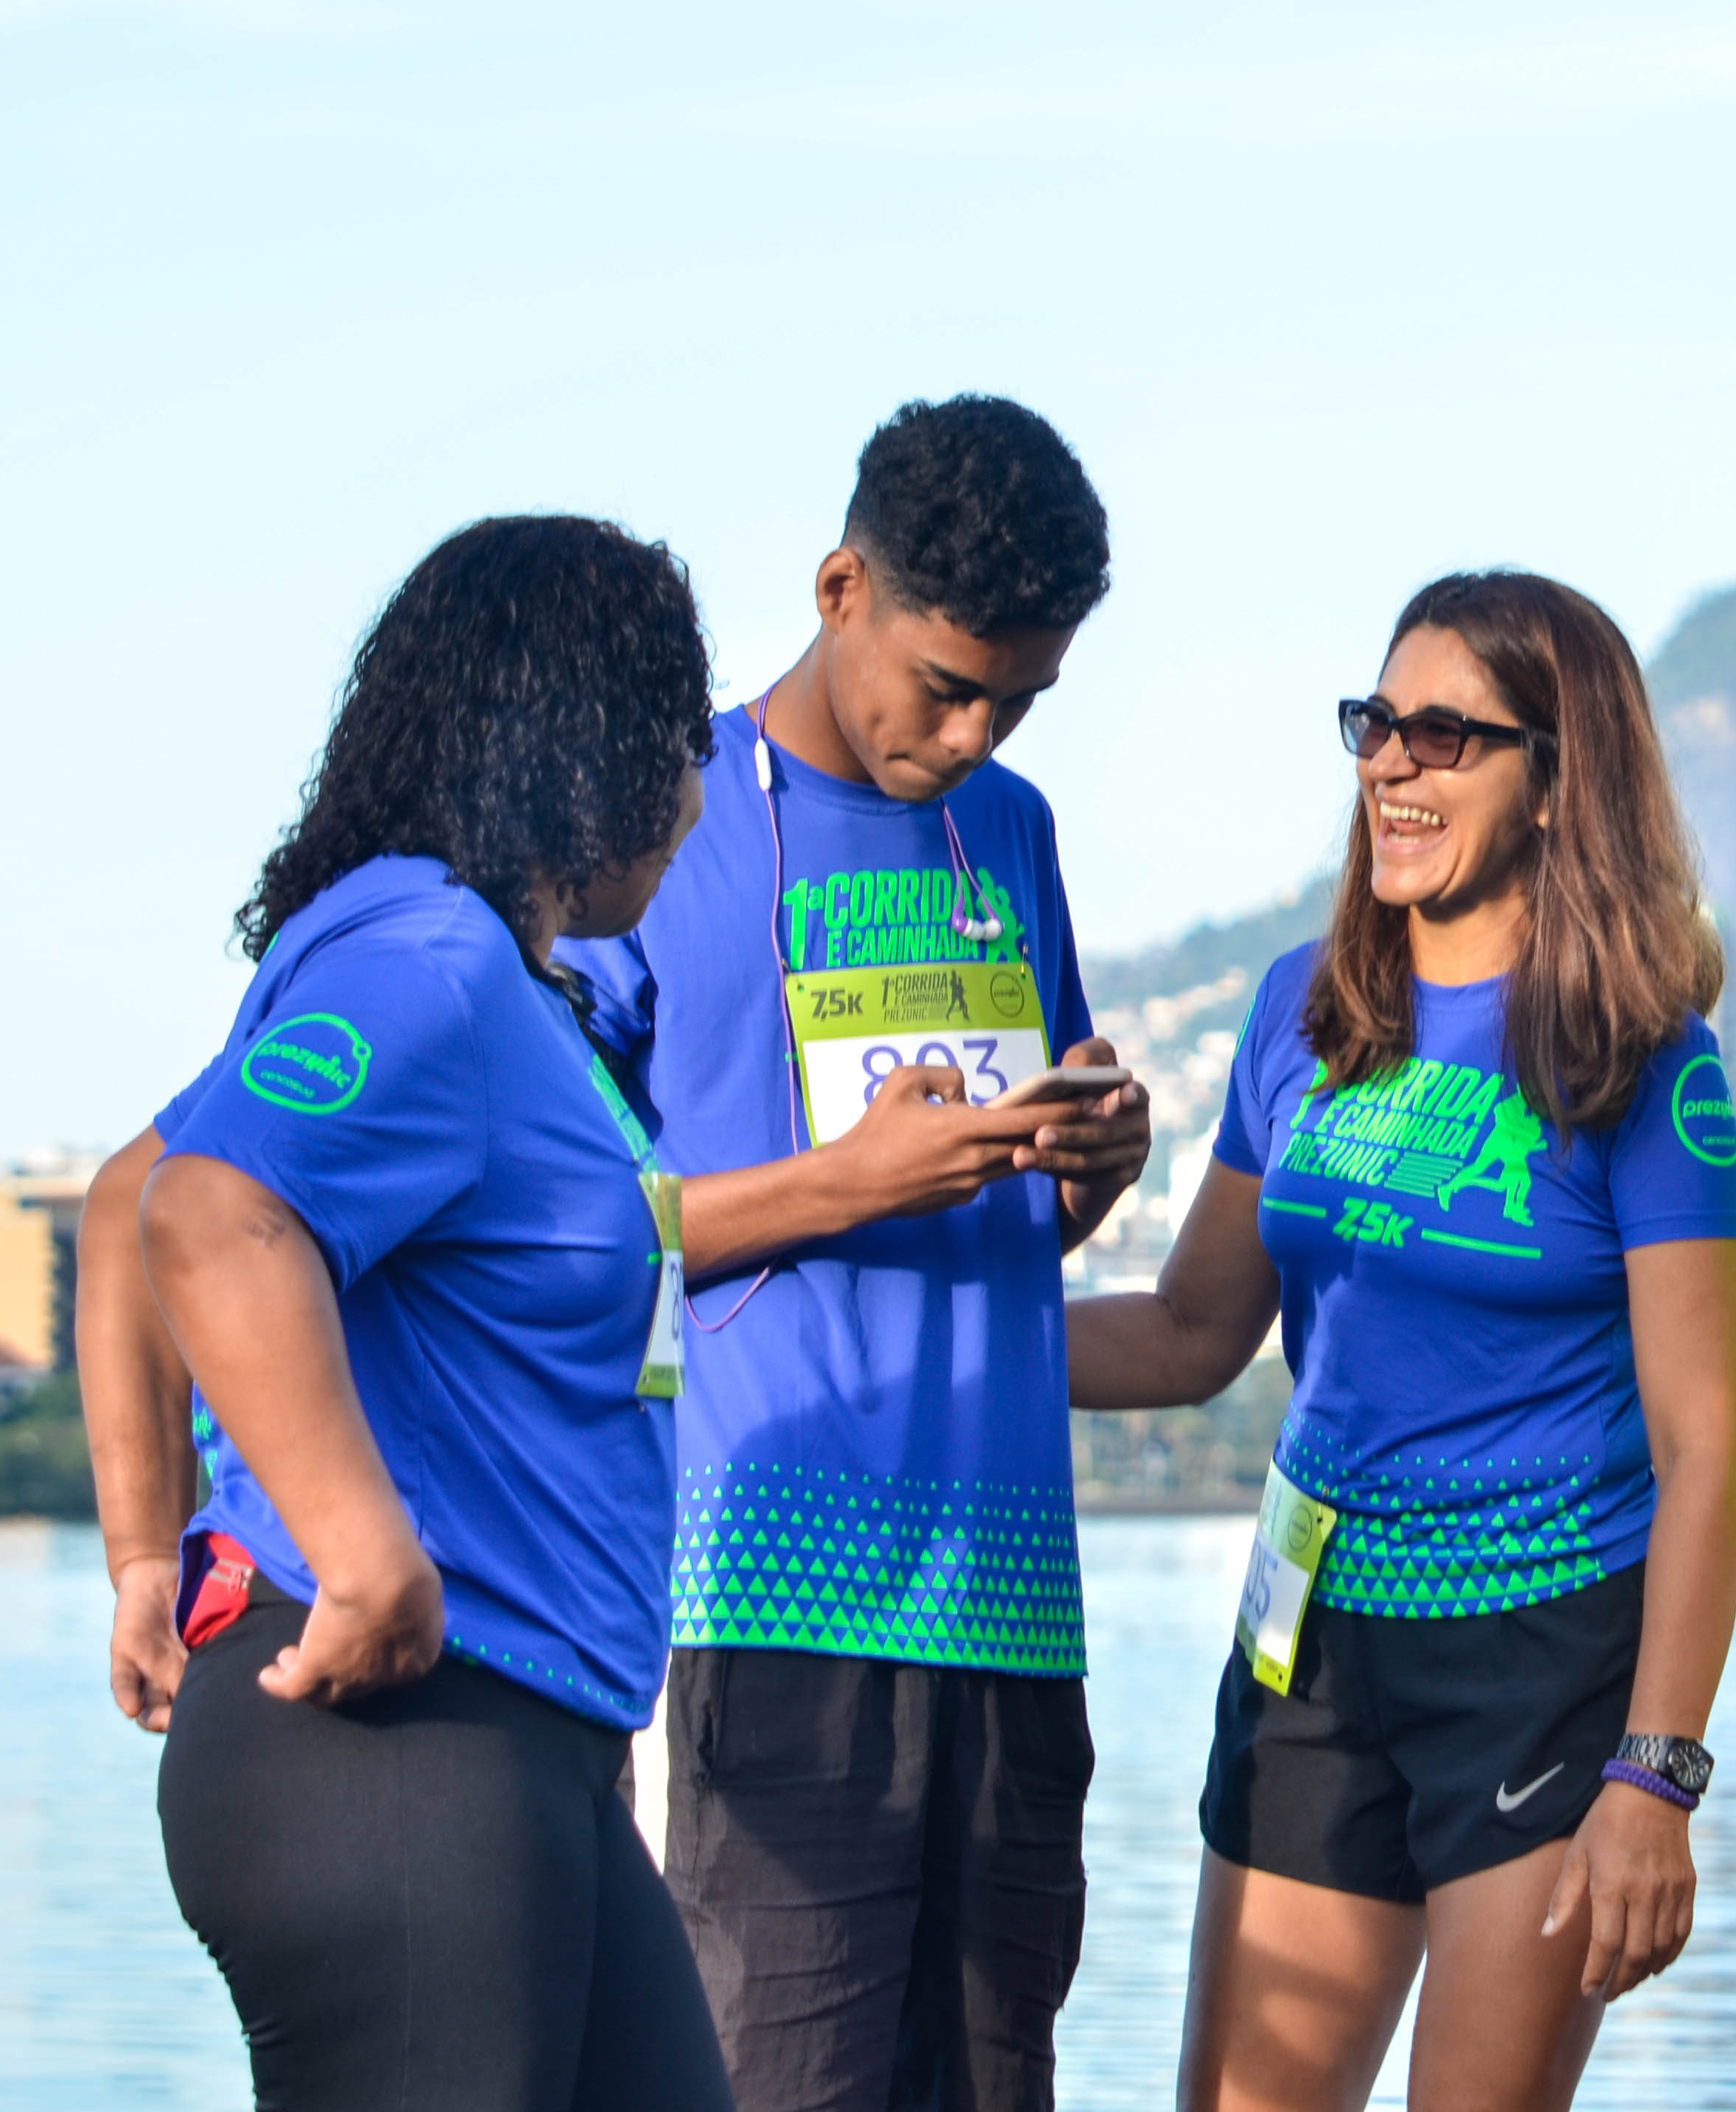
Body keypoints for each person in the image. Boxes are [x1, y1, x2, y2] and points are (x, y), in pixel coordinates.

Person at [1068, 571, 1736, 2111]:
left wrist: (1658, 1772)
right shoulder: (1298, 1012)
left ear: (1557, 776)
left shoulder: (1647, 1058)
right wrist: (945, 1333)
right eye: (1378, 723)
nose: (1392, 761)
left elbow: (1710, 1440)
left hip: (1541, 1650)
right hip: (1309, 1639)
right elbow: (1193, 1330)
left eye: (1446, 734)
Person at [82, 513, 733, 2108]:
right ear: (593, 751)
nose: (700, 788)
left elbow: (119, 1199)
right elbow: (204, 1214)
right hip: (392, 1733)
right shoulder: (429, 959)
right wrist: (361, 1551)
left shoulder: (499, 988)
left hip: (523, 1748)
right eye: (681, 737)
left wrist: (152, 1559)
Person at [551, 396, 1152, 2112]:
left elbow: (1018, 1208)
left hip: (1013, 1599)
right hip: (761, 1588)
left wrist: (1088, 1162)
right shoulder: (662, 830)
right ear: (837, 588)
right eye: (947, 684)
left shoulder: (1012, 834)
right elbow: (580, 1236)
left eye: (1017, 700)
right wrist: (847, 1180)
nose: (970, 734)